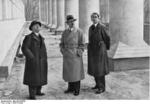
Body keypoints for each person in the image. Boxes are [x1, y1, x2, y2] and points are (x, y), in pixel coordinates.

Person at [22, 20, 48, 99]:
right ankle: (32, 95)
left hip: (42, 61)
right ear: (32, 28)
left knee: (40, 77)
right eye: (35, 26)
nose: (37, 27)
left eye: (39, 26)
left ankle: (38, 91)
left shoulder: (41, 37)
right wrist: (32, 57)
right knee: (33, 78)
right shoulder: (29, 37)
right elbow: (24, 48)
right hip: (33, 62)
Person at [60, 15, 85, 96]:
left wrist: (79, 51)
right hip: (67, 54)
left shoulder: (79, 31)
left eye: (73, 21)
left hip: (75, 55)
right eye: (70, 22)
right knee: (69, 72)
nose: (72, 23)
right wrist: (63, 51)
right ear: (67, 23)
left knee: (76, 73)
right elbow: (61, 44)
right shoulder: (64, 32)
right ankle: (70, 88)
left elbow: (82, 44)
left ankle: (76, 89)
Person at [88, 13, 110, 94]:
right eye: (92, 17)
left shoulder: (102, 27)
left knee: (100, 70)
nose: (94, 19)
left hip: (100, 51)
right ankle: (97, 84)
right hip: (93, 51)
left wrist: (104, 47)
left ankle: (102, 87)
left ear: (99, 18)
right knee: (94, 69)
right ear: (91, 19)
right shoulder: (90, 28)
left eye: (95, 17)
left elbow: (107, 38)